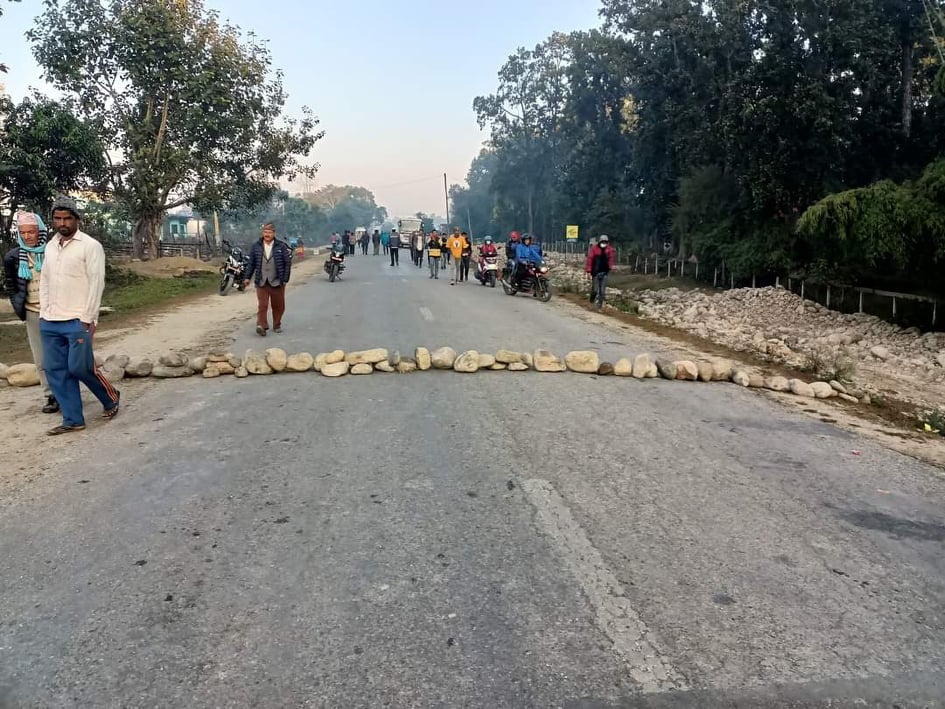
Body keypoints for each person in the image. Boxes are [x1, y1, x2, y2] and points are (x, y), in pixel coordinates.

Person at [39, 196, 119, 435]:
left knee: (79, 368)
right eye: (57, 218)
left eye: (67, 218)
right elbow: (45, 280)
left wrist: (88, 317)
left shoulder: (90, 246)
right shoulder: (50, 246)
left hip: (78, 319)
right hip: (50, 320)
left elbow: (96, 283)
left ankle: (111, 396)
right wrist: (44, 312)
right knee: (56, 371)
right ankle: (73, 419)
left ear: (77, 219)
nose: (62, 223)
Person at [3, 211, 58, 413]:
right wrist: (18, 306)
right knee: (41, 358)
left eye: (31, 232)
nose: (27, 236)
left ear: (40, 231)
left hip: (56, 311)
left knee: (60, 355)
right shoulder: (12, 257)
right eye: (23, 232)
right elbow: (11, 285)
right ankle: (50, 395)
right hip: (32, 312)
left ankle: (66, 391)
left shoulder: (53, 252)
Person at [243, 222, 292, 336]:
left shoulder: (281, 246)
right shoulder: (256, 246)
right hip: (261, 281)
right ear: (262, 233)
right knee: (262, 305)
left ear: (274, 233)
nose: (267, 234)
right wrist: (247, 277)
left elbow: (287, 263)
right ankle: (262, 326)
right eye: (265, 232)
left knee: (278, 306)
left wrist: (285, 279)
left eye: (269, 232)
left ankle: (277, 324)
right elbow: (251, 263)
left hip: (277, 281)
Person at [586, 234, 616, 309]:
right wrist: (589, 271)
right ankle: (591, 301)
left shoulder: (609, 250)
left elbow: (611, 259)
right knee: (595, 290)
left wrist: (610, 266)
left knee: (602, 292)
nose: (604, 243)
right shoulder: (594, 249)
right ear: (599, 242)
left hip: (604, 273)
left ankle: (599, 306)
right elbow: (590, 260)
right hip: (595, 273)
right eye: (603, 242)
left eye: (605, 242)